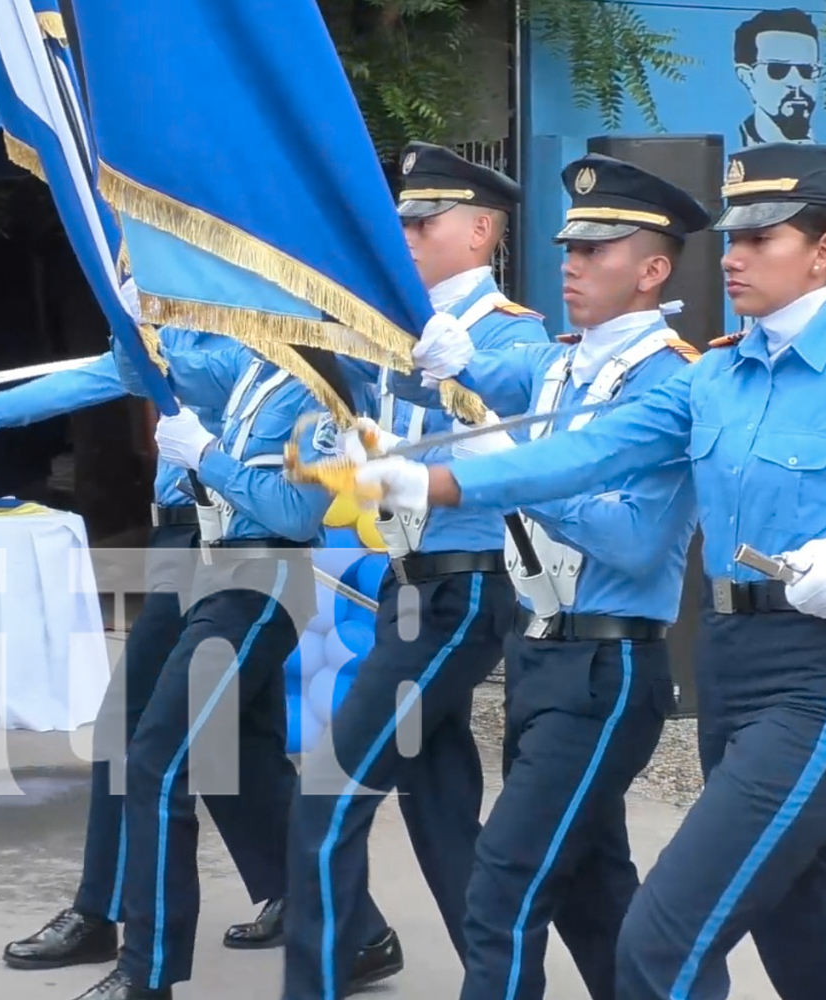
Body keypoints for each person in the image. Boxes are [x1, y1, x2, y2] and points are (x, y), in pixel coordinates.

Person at [355, 142, 826, 999]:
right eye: (732, 237)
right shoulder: (715, 374)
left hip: (819, 675)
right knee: (809, 933)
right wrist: (438, 481)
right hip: (726, 659)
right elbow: (590, 453)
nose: (733, 256)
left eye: (760, 238)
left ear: (825, 250)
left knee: (664, 936)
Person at [388, 152, 706, 1000]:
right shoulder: (558, 364)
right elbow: (464, 376)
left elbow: (636, 542)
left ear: (652, 271)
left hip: (607, 661)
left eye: (596, 251)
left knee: (502, 886)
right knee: (594, 895)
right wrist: (442, 355)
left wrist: (516, 468)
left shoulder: (670, 381)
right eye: (569, 248)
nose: (571, 265)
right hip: (539, 654)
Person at [0, 338, 298, 969]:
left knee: (137, 729)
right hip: (184, 536)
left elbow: (221, 388)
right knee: (236, 743)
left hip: (228, 537)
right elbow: (90, 379)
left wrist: (158, 352)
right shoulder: (161, 327)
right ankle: (331, 910)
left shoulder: (221, 325)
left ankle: (102, 910)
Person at [282, 141, 546, 1000]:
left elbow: (523, 412)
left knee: (328, 797)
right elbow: (352, 402)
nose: (405, 237)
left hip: (461, 583)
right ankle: (500, 981)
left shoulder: (508, 331)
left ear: (479, 233)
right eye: (401, 222)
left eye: (424, 223)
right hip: (406, 579)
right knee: (438, 805)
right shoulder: (395, 327)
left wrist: (456, 368)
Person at [55, 332, 389, 1000]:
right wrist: (129, 316)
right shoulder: (248, 364)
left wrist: (208, 458)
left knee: (157, 758)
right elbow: (138, 368)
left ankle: (146, 971)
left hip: (259, 579)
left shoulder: (316, 388)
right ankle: (356, 931)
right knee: (232, 756)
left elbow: (296, 512)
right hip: (214, 571)